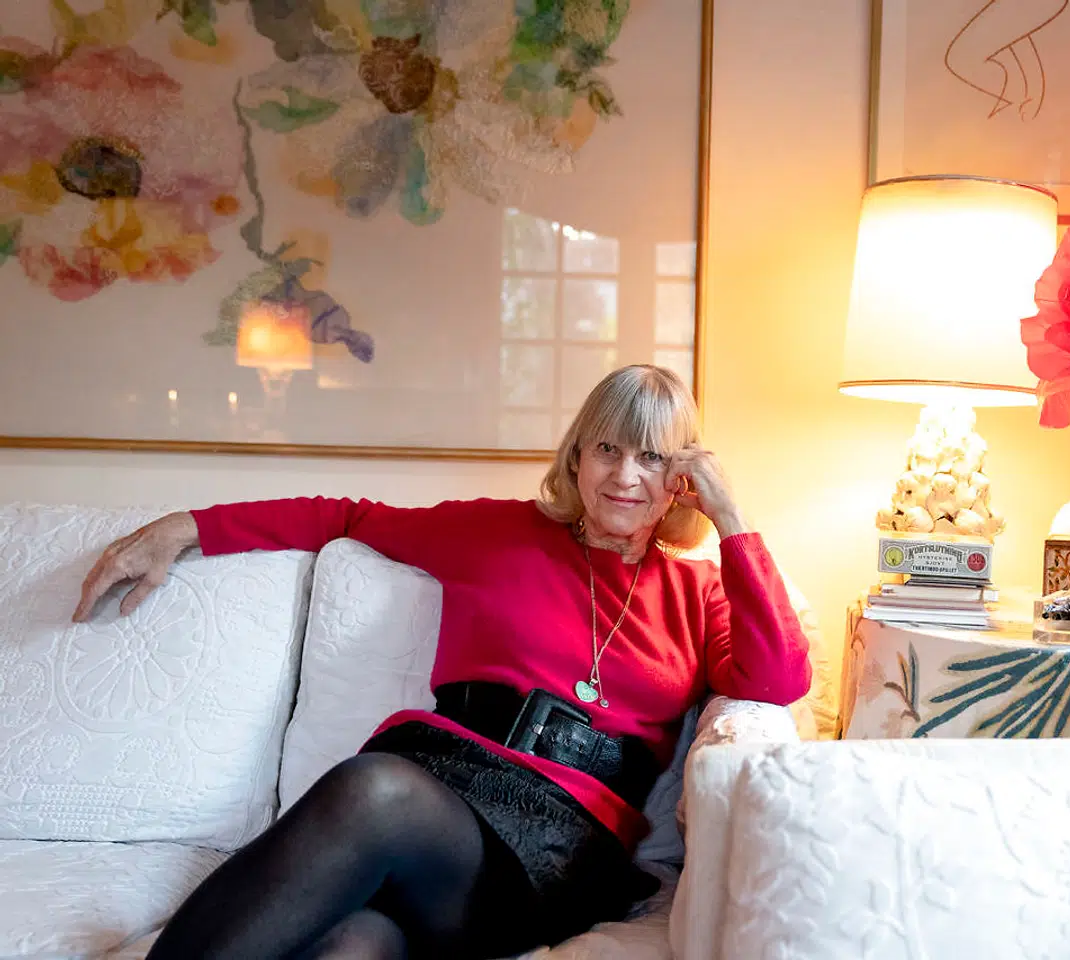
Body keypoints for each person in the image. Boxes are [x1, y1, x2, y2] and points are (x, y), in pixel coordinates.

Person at [71, 364, 811, 960]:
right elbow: (344, 517)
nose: (624, 475)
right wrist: (188, 528)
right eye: (607, 449)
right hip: (440, 791)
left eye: (651, 457)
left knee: (373, 789)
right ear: (577, 457)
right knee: (357, 942)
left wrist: (732, 521)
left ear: (683, 478)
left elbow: (777, 679)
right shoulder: (494, 531)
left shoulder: (698, 588)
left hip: (556, 844)